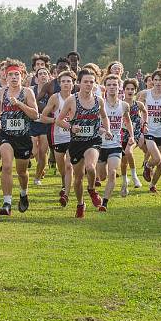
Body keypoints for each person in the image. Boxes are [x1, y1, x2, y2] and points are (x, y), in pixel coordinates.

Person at [57, 68, 111, 218]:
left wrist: (107, 129)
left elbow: (105, 117)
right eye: (85, 82)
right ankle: (80, 203)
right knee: (78, 177)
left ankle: (92, 189)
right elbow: (59, 120)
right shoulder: (71, 100)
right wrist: (71, 127)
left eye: (91, 82)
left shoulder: (99, 100)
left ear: (95, 84)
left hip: (93, 141)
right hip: (76, 143)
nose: (88, 84)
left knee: (91, 167)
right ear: (79, 83)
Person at [0, 60, 39, 216]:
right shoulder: (2, 92)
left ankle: (24, 193)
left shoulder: (27, 92)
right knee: (6, 166)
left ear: (22, 76)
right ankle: (7, 203)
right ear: (5, 77)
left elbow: (35, 114)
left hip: (23, 137)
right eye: (10, 75)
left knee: (22, 172)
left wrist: (20, 104)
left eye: (16, 74)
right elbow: (0, 106)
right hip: (6, 135)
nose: (13, 77)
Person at [96, 74, 134, 211]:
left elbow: (128, 121)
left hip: (115, 145)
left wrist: (131, 136)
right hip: (100, 145)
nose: (112, 87)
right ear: (105, 87)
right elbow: (94, 123)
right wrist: (103, 131)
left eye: (115, 85)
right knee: (102, 176)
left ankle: (104, 203)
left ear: (119, 88)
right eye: (109, 85)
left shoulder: (124, 105)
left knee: (112, 173)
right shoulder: (99, 104)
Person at [39, 70, 76, 207]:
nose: (66, 84)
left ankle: (66, 194)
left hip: (72, 137)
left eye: (69, 81)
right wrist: (57, 120)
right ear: (59, 84)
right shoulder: (55, 98)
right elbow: (43, 117)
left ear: (73, 84)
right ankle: (63, 182)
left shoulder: (76, 98)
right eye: (63, 81)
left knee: (68, 165)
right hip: (58, 136)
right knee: (62, 167)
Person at [119, 78, 147, 194]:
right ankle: (125, 180)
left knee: (129, 152)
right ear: (123, 90)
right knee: (124, 160)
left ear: (135, 91)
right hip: (121, 135)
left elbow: (145, 112)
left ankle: (135, 177)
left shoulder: (138, 104)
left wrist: (144, 123)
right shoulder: (119, 104)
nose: (130, 91)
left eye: (132, 89)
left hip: (134, 134)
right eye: (127, 89)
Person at [30, 66, 51, 184]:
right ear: (36, 78)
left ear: (48, 76)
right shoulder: (30, 90)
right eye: (40, 74)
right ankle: (41, 168)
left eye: (45, 73)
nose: (43, 75)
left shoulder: (51, 91)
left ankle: (37, 177)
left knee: (43, 152)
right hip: (32, 123)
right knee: (33, 151)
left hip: (45, 124)